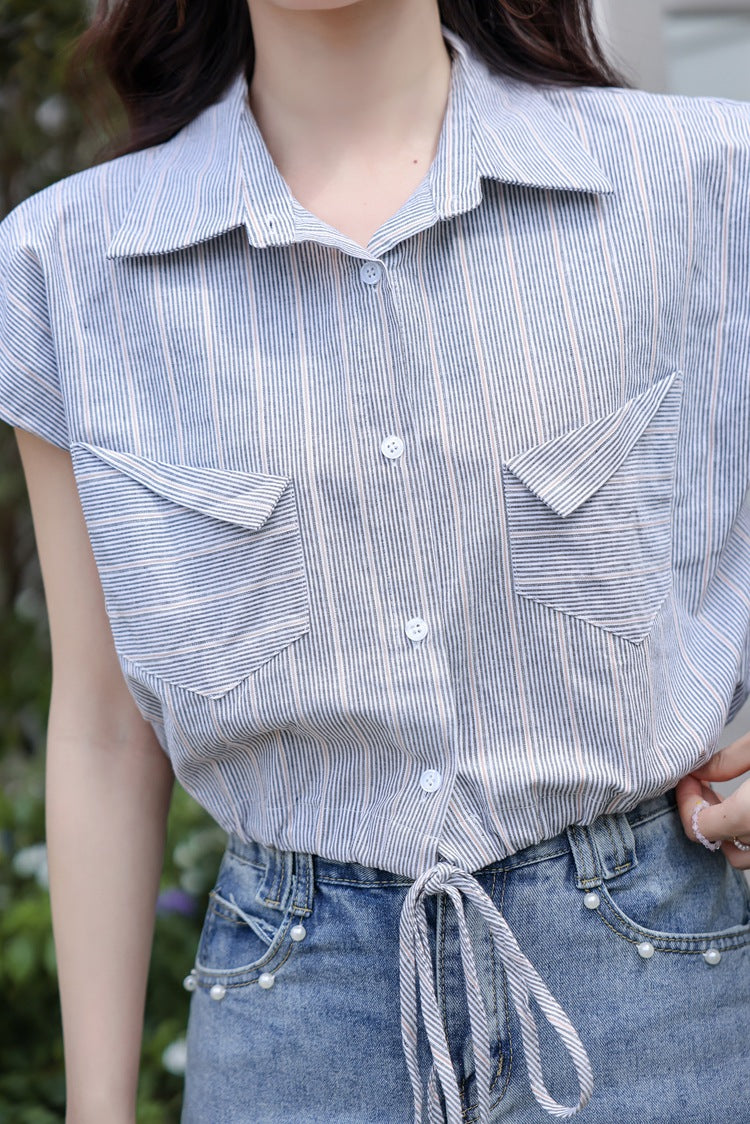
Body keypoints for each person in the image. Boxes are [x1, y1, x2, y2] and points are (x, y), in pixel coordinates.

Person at [1, 0, 749, 1120]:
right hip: (297, 1021)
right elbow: (107, 729)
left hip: (664, 994)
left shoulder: (704, 182)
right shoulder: (68, 268)